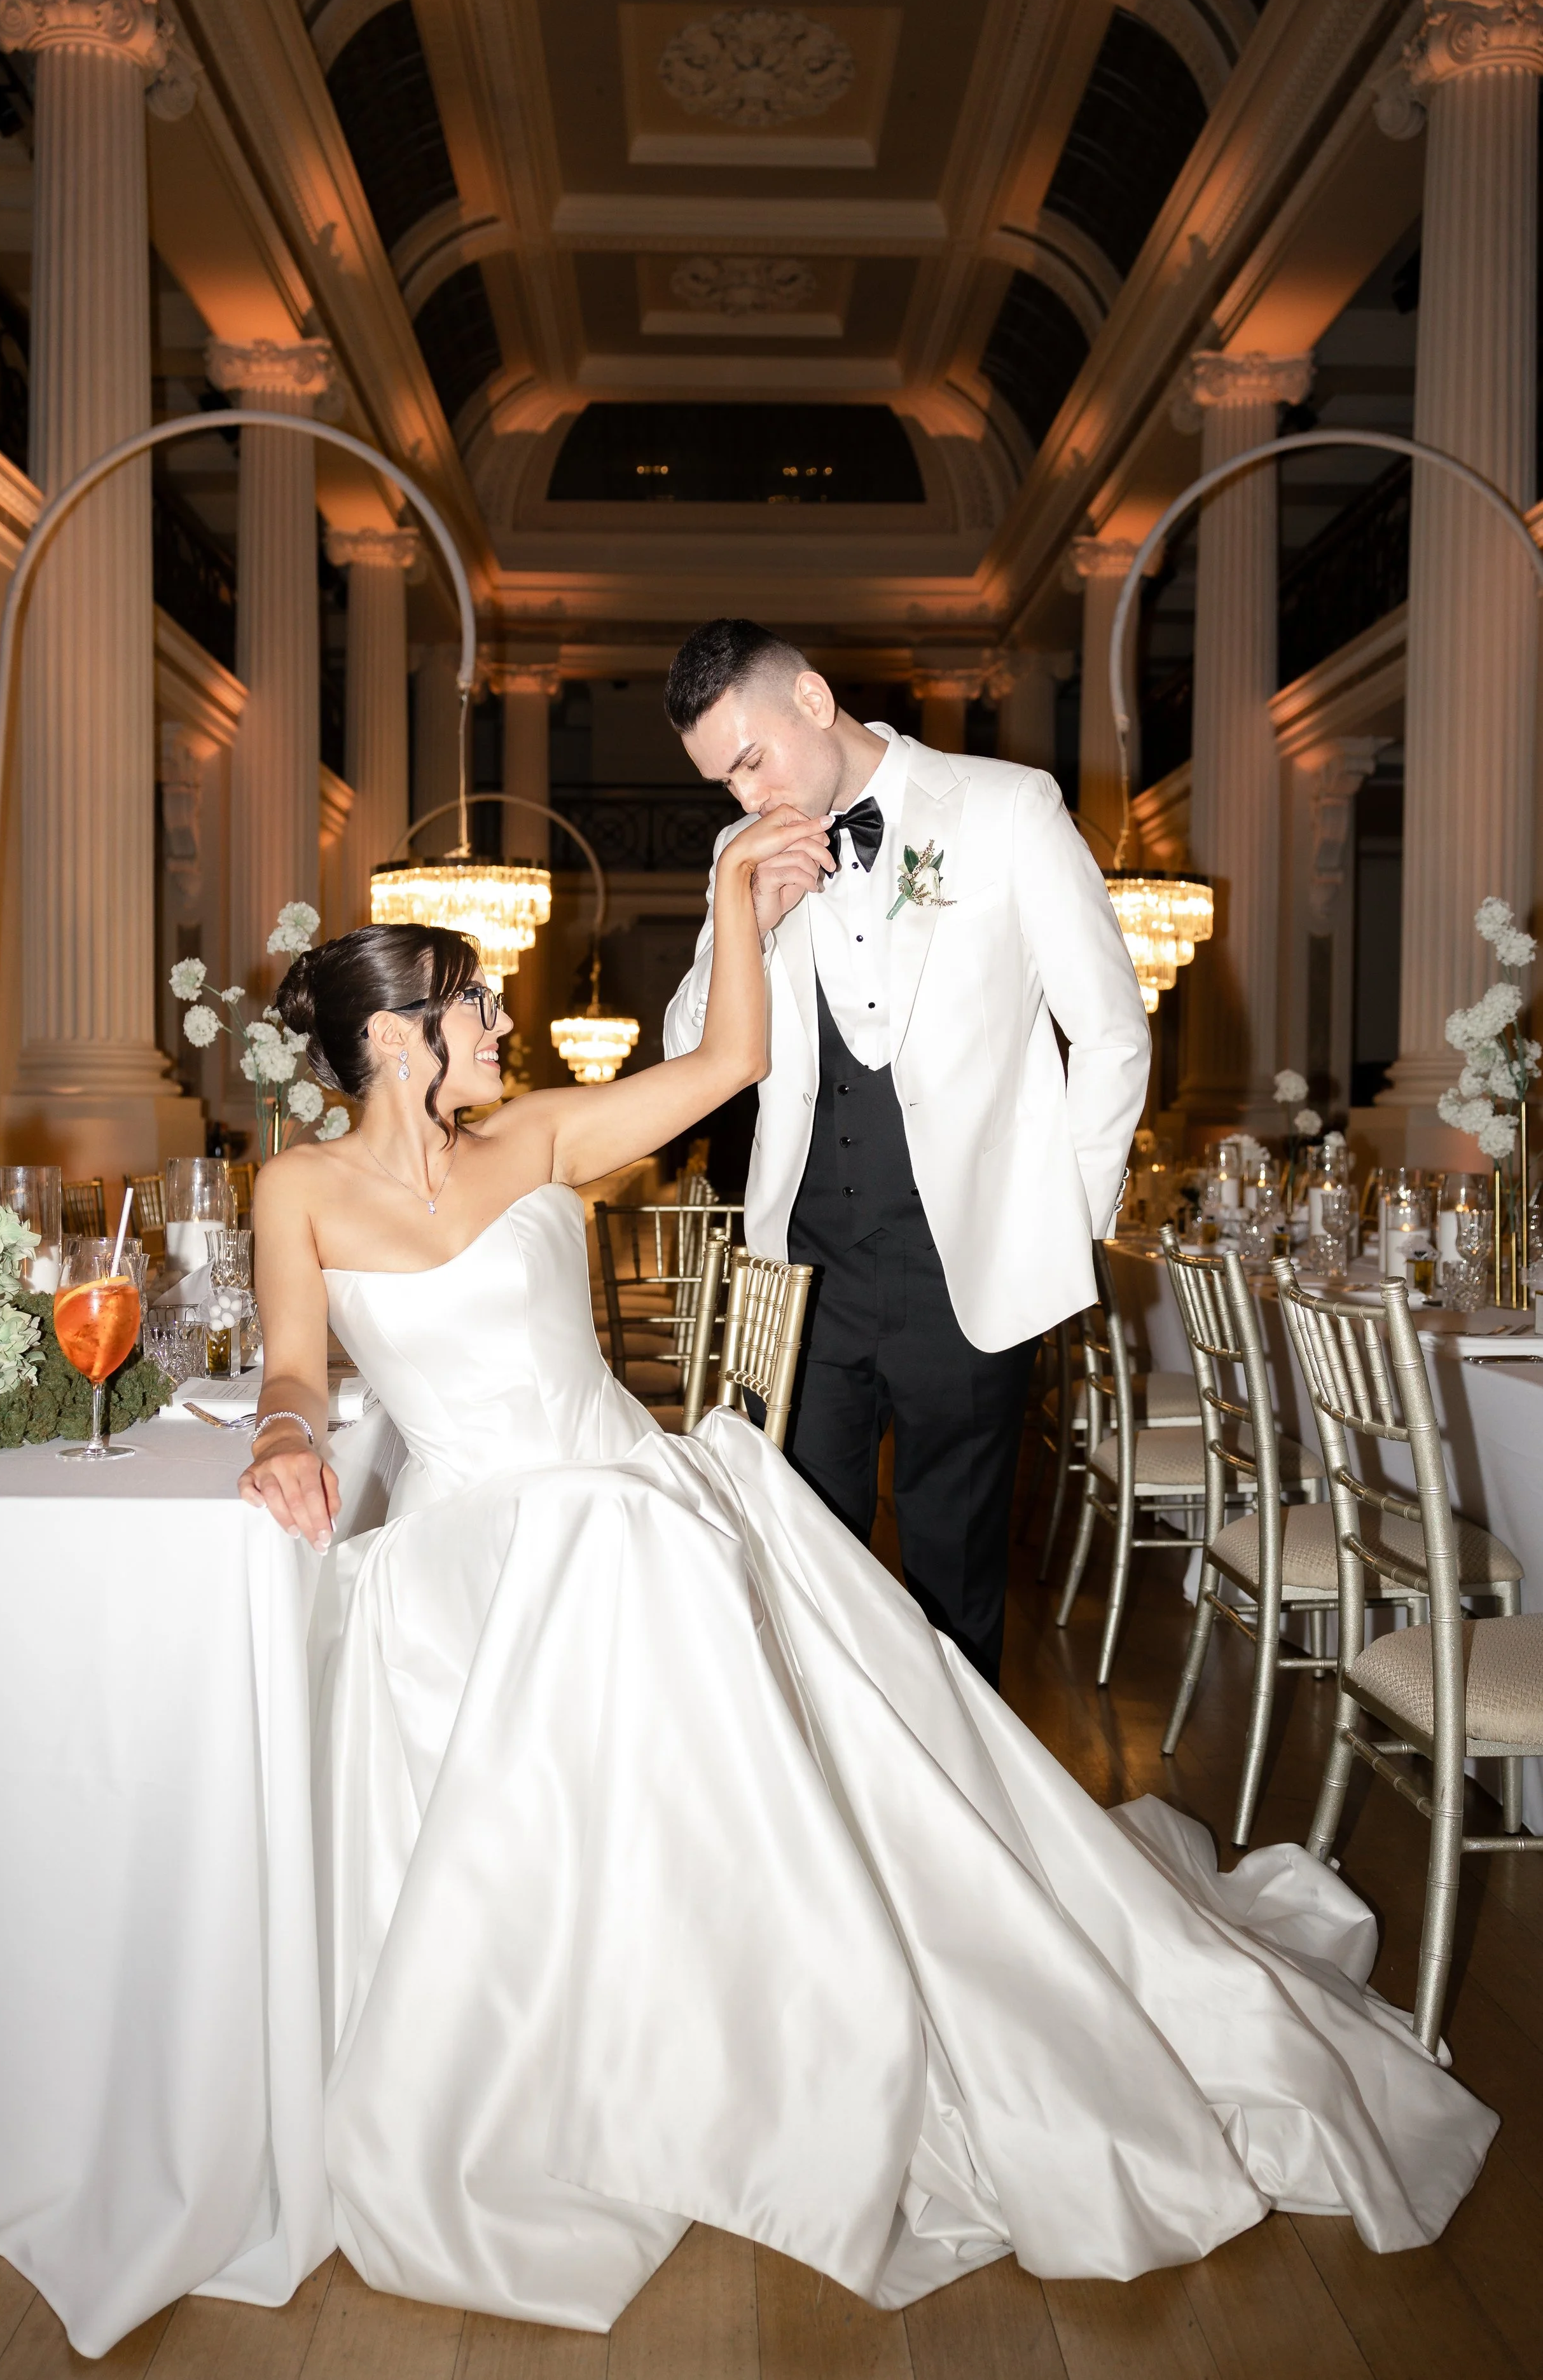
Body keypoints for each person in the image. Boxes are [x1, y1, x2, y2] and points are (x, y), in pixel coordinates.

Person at [238, 863, 1494, 2339]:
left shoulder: (539, 1133)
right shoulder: (296, 1188)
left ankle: (760, 2049)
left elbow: (732, 1063)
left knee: (624, 1584)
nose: (501, 1016)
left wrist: (728, 898)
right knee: (522, 1630)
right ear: (397, 1042)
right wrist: (275, 1432)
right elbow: (299, 1368)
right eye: (471, 1005)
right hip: (467, 1534)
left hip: (627, 1509)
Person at [662, 619, 1151, 1685]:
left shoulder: (1008, 808)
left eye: (750, 761)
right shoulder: (738, 856)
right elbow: (690, 1052)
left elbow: (1112, 1032)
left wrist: (1058, 1226)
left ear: (812, 699)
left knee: (956, 1583)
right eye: (722, 782)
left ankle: (964, 1831)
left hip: (966, 1271)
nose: (745, 798)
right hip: (803, 1274)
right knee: (804, 1571)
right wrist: (746, 912)